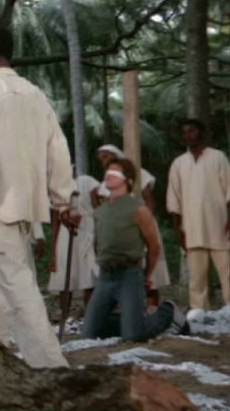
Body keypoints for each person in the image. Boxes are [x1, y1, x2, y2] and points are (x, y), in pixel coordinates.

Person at [0, 25, 77, 369]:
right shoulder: (36, 95)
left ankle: (52, 368)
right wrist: (63, 201)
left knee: (19, 291)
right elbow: (58, 150)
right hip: (26, 208)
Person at [83, 157, 188, 340]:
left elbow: (153, 246)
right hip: (105, 277)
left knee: (133, 336)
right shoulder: (100, 212)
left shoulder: (139, 209)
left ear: (127, 179)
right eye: (107, 171)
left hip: (129, 274)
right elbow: (98, 243)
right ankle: (131, 321)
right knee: (89, 333)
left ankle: (168, 313)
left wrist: (146, 275)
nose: (109, 175)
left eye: (115, 172)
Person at [166, 119, 230, 320]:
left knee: (227, 269)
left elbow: (229, 190)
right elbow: (174, 199)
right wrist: (178, 229)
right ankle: (198, 310)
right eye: (184, 132)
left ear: (201, 133)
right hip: (191, 227)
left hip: (220, 224)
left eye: (192, 131)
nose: (188, 135)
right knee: (196, 275)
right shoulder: (179, 163)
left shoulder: (218, 157)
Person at [93, 144, 171, 308]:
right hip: (120, 231)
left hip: (141, 224)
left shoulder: (138, 173)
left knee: (151, 277)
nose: (103, 161)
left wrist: (144, 222)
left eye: (106, 156)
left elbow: (149, 199)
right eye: (101, 159)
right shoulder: (107, 181)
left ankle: (153, 310)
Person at [49, 172, 100, 309]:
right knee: (65, 274)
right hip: (66, 234)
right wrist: (53, 253)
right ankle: (64, 314)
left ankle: (90, 314)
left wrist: (99, 233)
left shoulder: (87, 181)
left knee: (88, 273)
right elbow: (56, 223)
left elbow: (98, 209)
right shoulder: (57, 189)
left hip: (87, 229)